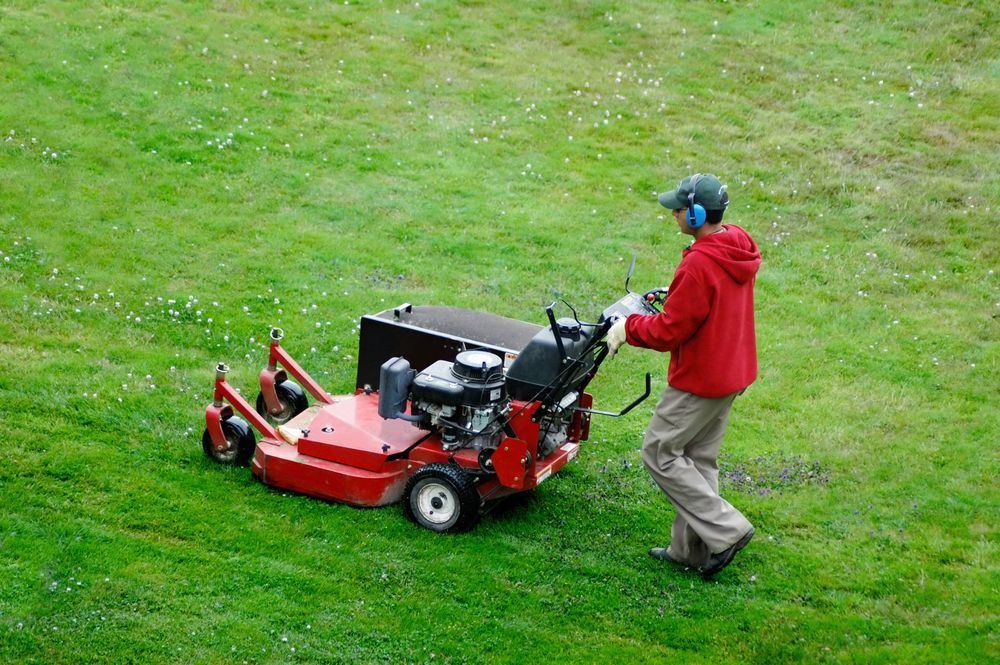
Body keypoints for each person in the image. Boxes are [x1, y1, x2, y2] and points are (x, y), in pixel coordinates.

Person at [607, 173, 761, 579]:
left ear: (694, 214)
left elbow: (671, 330)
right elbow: (700, 310)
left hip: (700, 380)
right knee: (698, 458)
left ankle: (727, 529)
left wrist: (628, 328)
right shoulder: (736, 245)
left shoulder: (700, 263)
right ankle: (690, 551)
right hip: (732, 373)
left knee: (659, 452)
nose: (673, 214)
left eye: (678, 208)